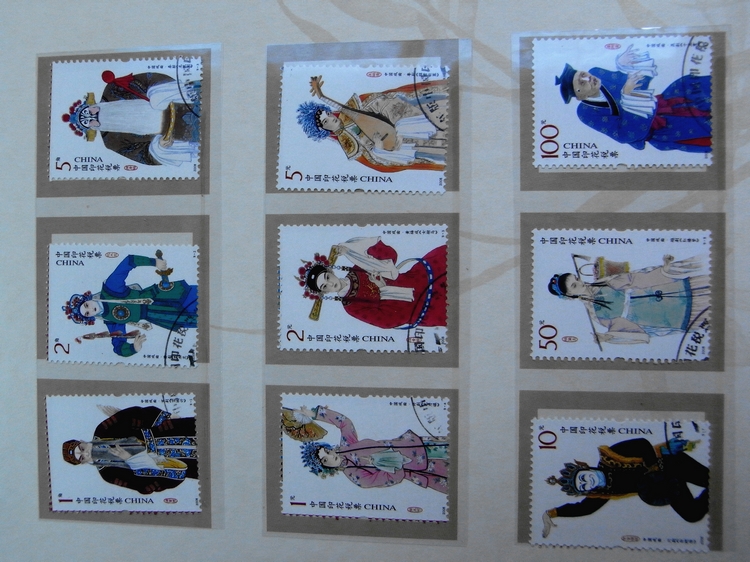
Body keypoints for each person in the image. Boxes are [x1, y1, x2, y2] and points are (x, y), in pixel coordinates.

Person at [542, 437, 709, 538]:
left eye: (583, 477)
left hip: (671, 464)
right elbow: (583, 509)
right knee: (692, 514)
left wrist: (654, 470)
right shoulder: (605, 492)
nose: (588, 482)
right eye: (583, 486)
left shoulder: (611, 455)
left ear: (585, 468)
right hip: (666, 485)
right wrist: (552, 513)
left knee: (711, 480)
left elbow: (642, 444)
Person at [555, 45, 711, 152]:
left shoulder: (597, 72)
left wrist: (628, 65)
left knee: (689, 84)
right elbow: (624, 135)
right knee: (697, 126)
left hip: (663, 103)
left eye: (583, 74)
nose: (588, 78)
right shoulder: (586, 113)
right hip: (657, 128)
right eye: (582, 82)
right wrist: (628, 97)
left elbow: (639, 83)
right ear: (580, 96)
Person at [296, 75, 448, 172]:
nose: (331, 118)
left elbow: (340, 107)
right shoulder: (346, 142)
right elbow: (372, 155)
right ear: (322, 129)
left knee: (407, 124)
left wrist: (321, 95)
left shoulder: (347, 114)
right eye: (325, 121)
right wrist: (378, 145)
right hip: (390, 145)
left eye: (328, 114)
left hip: (392, 128)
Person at [547, 254, 709, 344]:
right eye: (574, 286)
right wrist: (608, 337)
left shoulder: (603, 283)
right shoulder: (597, 315)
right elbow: (634, 332)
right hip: (660, 314)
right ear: (570, 296)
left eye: (576, 279)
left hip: (667, 290)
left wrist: (663, 270)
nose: (580, 283)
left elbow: (634, 279)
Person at [63, 254, 198, 357]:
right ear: (90, 318)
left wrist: (153, 262)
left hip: (163, 295)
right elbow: (118, 347)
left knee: (201, 295)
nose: (91, 309)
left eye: (86, 305)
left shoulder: (110, 288)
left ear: (88, 299)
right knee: (199, 320)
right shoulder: (110, 320)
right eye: (87, 313)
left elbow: (128, 261)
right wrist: (133, 348)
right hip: (161, 315)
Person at [297, 237, 447, 329]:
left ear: (331, 271)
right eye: (324, 286)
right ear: (324, 292)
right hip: (422, 307)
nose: (331, 284)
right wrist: (383, 289)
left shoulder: (357, 269)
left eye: (327, 277)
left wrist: (352, 249)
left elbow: (390, 255)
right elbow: (387, 321)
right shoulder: (351, 306)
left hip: (419, 277)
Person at [293, 405, 448, 493]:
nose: (330, 456)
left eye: (327, 452)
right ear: (326, 467)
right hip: (420, 468)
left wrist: (313, 414)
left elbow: (345, 423)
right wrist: (389, 463)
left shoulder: (347, 445)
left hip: (416, 445)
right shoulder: (355, 475)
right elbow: (388, 479)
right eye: (325, 460)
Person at [61, 70, 201, 166]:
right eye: (89, 121)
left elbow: (150, 79)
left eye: (90, 111)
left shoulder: (113, 89)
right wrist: (160, 146)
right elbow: (145, 156)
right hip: (182, 135)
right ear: (92, 127)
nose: (95, 115)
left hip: (183, 102)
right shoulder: (112, 142)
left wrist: (158, 95)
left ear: (92, 105)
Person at [62, 405, 198, 495]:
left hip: (169, 432)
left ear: (82, 441)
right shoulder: (108, 474)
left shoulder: (103, 430)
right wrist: (132, 460)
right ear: (83, 462)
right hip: (180, 463)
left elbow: (134, 415)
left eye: (82, 448)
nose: (86, 453)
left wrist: (162, 421)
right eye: (82, 457)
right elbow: (142, 486)